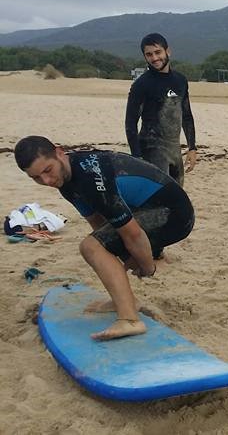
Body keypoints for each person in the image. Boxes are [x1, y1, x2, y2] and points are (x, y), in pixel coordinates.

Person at [14, 136, 195, 341]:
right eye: (36, 178)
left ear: (59, 152)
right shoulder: (66, 179)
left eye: (47, 170)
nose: (47, 181)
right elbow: (98, 224)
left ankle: (130, 320)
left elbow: (133, 234)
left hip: (173, 214)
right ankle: (126, 302)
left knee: (90, 247)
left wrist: (147, 265)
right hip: (144, 211)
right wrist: (118, 253)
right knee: (97, 247)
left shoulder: (91, 178)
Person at [125, 33, 198, 186]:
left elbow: (186, 115)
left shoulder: (180, 80)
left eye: (158, 52)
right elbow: (130, 123)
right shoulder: (142, 84)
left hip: (174, 150)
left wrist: (192, 148)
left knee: (177, 198)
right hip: (151, 150)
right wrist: (137, 158)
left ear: (167, 51)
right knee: (158, 199)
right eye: (149, 54)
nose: (154, 58)